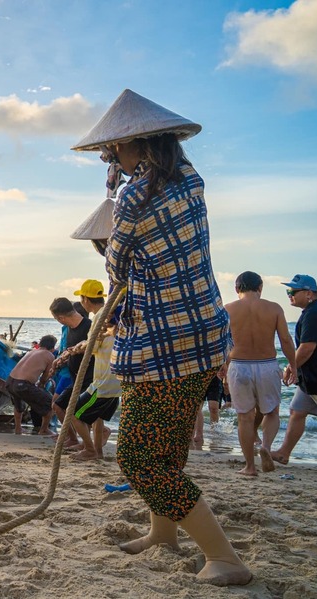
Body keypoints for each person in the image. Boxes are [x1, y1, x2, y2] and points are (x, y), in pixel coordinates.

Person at [73, 89, 251, 585]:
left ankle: (226, 557)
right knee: (167, 447)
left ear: (139, 146)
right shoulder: (192, 180)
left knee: (140, 458)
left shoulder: (134, 195)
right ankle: (163, 534)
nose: (114, 159)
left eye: (116, 151)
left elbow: (120, 262)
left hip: (160, 342)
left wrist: (111, 228)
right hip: (204, 335)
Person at [222, 271, 296, 475]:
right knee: (271, 412)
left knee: (245, 417)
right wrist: (293, 366)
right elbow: (286, 341)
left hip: (239, 365)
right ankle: (265, 446)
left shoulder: (227, 310)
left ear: (237, 289)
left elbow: (222, 344)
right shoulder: (274, 308)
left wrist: (223, 367)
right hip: (267, 365)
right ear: (260, 288)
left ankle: (250, 467)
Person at [271, 274, 317, 465]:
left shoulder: (315, 313)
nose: (289, 295)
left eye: (293, 291)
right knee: (297, 411)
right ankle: (283, 453)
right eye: (288, 291)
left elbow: (307, 348)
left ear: (309, 293)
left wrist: (291, 367)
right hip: (311, 380)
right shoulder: (312, 312)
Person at [67, 280, 121, 461]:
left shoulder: (99, 317)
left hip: (103, 381)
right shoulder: (112, 316)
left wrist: (78, 348)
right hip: (116, 381)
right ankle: (97, 452)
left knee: (73, 414)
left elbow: (92, 346)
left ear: (85, 300)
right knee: (98, 418)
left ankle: (89, 449)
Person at [49, 297, 94, 446]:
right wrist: (60, 360)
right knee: (57, 405)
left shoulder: (89, 327)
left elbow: (96, 350)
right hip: (75, 378)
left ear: (60, 318)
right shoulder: (68, 329)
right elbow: (69, 351)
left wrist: (75, 351)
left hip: (89, 378)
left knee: (74, 411)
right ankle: (73, 438)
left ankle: (89, 447)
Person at [6, 335, 57, 435]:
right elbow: (45, 377)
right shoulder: (49, 356)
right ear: (52, 348)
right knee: (51, 404)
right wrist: (42, 384)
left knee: (18, 406)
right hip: (23, 385)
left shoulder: (32, 351)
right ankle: (44, 429)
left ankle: (18, 428)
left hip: (10, 381)